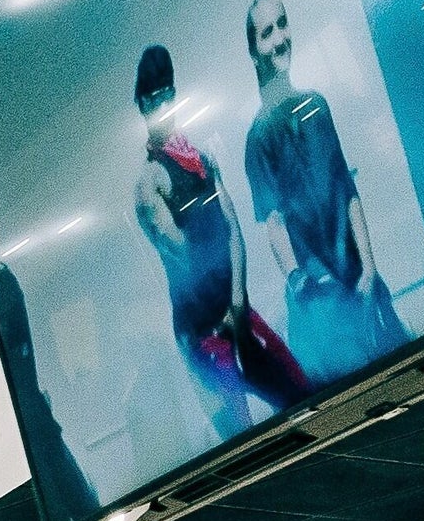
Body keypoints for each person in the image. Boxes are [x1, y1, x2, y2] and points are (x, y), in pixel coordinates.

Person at [132, 42, 308, 441]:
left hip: (234, 312)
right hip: (201, 334)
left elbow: (233, 228)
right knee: (242, 443)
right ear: (143, 106)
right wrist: (228, 310)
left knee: (301, 392)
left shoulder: (200, 159)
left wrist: (239, 305)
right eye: (155, 98)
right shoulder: (149, 184)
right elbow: (187, 258)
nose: (164, 104)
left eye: (168, 93)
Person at [242, 0, 407, 383]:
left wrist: (369, 268)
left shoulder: (317, 106)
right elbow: (275, 223)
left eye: (283, 24)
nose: (280, 38)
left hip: (364, 286)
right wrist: (305, 281)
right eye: (267, 32)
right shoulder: (258, 137)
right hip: (324, 303)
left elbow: (347, 190)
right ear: (254, 50)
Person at [0, 176, 100, 520]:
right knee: (65, 508)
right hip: (23, 422)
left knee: (83, 507)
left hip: (37, 414)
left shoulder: (3, 274)